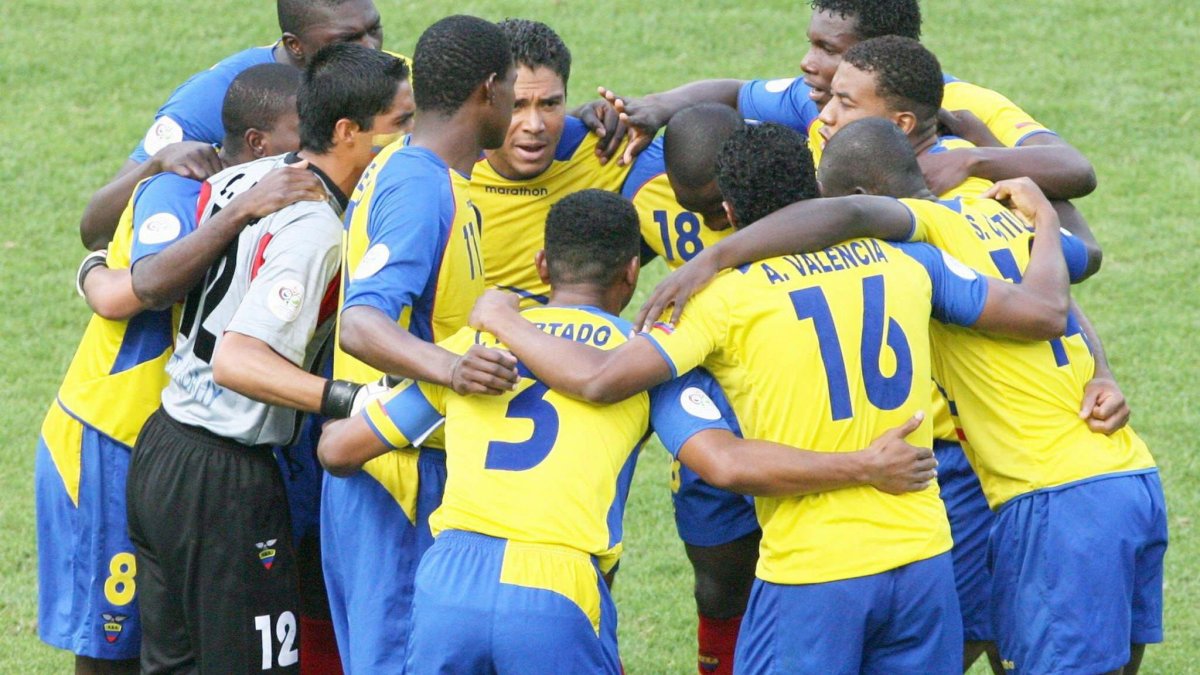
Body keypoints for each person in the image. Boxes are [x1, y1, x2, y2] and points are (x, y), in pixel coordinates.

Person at [469, 122, 1078, 674]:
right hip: (923, 563)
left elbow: (599, 380)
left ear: (729, 211)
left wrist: (506, 318)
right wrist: (1047, 225)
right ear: (816, 191)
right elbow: (1041, 312)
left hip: (813, 574)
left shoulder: (715, 302)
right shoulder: (910, 262)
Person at [318, 189, 938, 673]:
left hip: (448, 582)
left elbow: (339, 450)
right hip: (556, 589)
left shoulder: (475, 349)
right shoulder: (642, 361)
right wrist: (861, 466)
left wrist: (451, 408)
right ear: (631, 274)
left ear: (541, 265)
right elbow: (724, 465)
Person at [124, 44, 410, 674]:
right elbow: (239, 361)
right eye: (401, 124)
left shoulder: (251, 176)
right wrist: (353, 400)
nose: (413, 139)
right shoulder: (314, 230)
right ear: (347, 132)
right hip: (225, 477)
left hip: (165, 449)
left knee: (174, 665)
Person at [36, 62, 318, 675]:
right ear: (257, 143)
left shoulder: (294, 197)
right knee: (116, 648)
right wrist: (236, 210)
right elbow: (136, 290)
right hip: (115, 435)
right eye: (306, 130)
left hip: (190, 438)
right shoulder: (179, 187)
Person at [323, 15, 518, 673]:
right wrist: (455, 368)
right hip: (398, 479)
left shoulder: (437, 180)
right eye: (515, 91)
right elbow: (362, 323)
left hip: (408, 466)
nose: (519, 109)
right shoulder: (416, 182)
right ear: (488, 90)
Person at [594, 0, 1096, 202]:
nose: (807, 63)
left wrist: (974, 159)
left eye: (828, 50)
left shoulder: (965, 104)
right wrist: (656, 106)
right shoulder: (827, 99)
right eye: (813, 43)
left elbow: (1074, 169)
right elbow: (733, 91)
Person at [618, 102, 755, 674]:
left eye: (719, 209)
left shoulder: (790, 182)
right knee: (717, 581)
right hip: (707, 400)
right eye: (695, 210)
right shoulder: (644, 187)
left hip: (789, 387)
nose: (713, 221)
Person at [80, 0, 386, 250]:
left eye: (374, 29)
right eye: (347, 40)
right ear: (295, 45)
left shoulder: (396, 82)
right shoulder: (218, 95)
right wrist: (158, 163)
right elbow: (96, 230)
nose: (370, 49)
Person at [469, 19, 633, 306]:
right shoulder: (443, 172)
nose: (534, 125)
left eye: (549, 104)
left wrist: (657, 107)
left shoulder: (608, 151)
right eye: (517, 105)